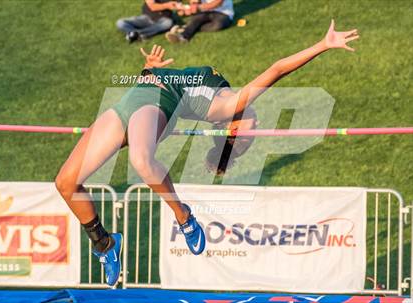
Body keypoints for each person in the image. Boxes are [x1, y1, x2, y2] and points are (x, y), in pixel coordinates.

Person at [55, 20, 359, 286]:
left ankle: (184, 217)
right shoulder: (222, 87)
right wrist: (150, 69)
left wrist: (323, 44)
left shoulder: (232, 105)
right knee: (66, 183)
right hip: (136, 95)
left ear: (233, 130)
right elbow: (174, 78)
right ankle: (106, 244)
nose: (258, 122)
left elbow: (278, 69)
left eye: (248, 135)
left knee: (141, 161)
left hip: (155, 101)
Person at [166, 0, 234, 43]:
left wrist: (198, 7)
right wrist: (189, 8)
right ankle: (182, 37)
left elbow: (217, 3)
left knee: (218, 25)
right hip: (205, 11)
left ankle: (186, 28)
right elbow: (194, 2)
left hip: (224, 13)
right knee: (196, 19)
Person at [116, 0, 181, 43]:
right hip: (147, 18)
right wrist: (167, 5)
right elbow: (152, 6)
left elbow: (179, 9)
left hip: (163, 19)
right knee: (121, 22)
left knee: (168, 23)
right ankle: (140, 35)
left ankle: (135, 34)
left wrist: (183, 9)